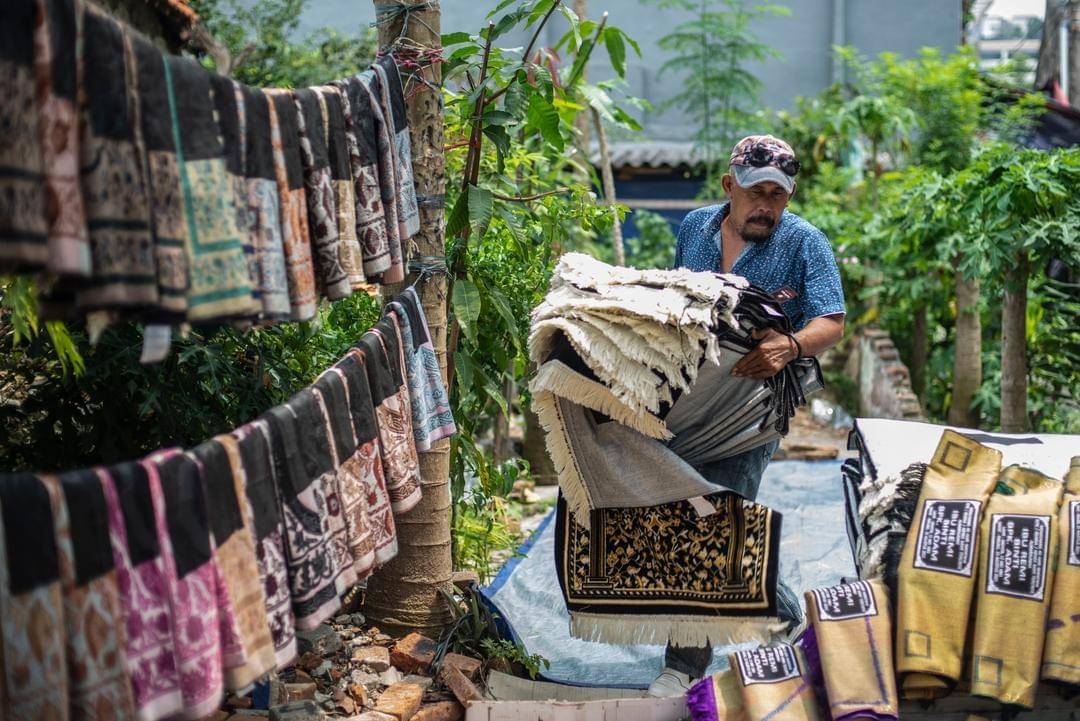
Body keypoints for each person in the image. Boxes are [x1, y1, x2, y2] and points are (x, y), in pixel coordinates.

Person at [648, 134, 846, 696]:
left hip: (756, 409)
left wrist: (791, 345)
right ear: (729, 186)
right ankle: (788, 626)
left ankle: (684, 663)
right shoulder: (694, 228)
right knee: (689, 514)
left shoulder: (805, 242)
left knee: (717, 516)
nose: (767, 206)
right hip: (692, 399)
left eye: (778, 196)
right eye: (757, 193)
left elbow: (831, 320)